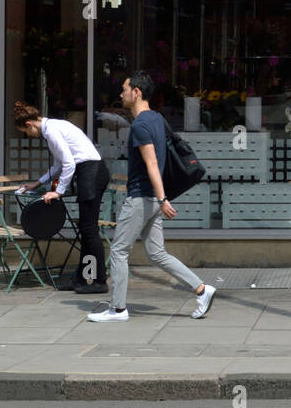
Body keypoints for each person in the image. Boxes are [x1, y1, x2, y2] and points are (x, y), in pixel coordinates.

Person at [88, 70, 216, 322]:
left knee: (118, 251)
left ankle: (117, 309)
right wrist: (161, 198)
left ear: (137, 92)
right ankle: (202, 290)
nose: (121, 93)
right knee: (156, 253)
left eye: (124, 88)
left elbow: (152, 163)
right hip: (152, 199)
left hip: (142, 198)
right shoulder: (156, 119)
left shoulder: (140, 126)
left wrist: (161, 199)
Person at [14, 101, 111, 294]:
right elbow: (59, 164)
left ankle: (99, 281)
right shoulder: (54, 127)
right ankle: (82, 279)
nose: (28, 136)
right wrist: (38, 183)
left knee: (89, 230)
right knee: (86, 229)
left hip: (91, 173)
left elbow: (68, 163)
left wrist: (58, 192)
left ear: (29, 124)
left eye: (26, 132)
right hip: (89, 173)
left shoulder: (51, 132)